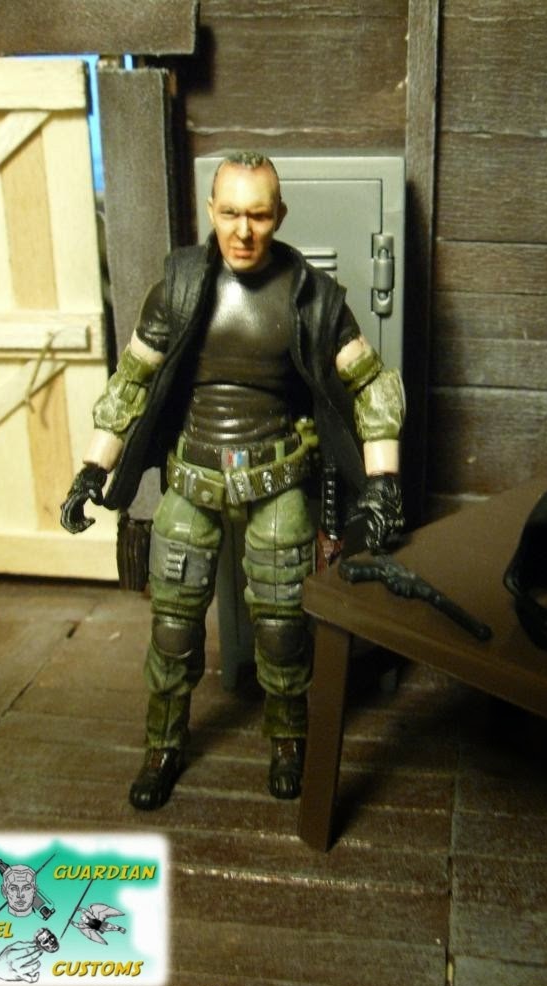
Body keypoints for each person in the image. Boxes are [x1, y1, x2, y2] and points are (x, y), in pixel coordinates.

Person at [61, 152, 405, 811]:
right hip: (192, 478)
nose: (243, 231)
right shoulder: (178, 290)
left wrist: (383, 482)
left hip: (278, 480)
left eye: (258, 215)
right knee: (173, 626)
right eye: (229, 214)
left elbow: (371, 386)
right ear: (210, 212)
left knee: (282, 627)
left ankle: (288, 740)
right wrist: (92, 468)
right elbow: (131, 383)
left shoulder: (313, 297)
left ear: (279, 216)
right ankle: (162, 745)